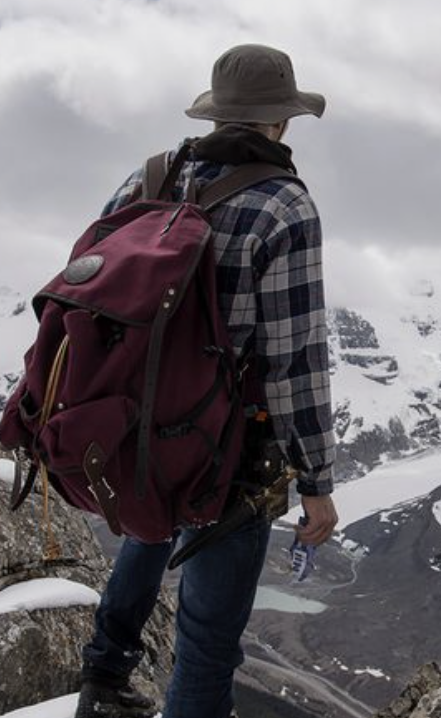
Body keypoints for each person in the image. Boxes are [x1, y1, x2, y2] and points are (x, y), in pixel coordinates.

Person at [74, 44, 338, 718]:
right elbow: (292, 359)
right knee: (208, 642)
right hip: (228, 447)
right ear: (281, 120)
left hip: (134, 416)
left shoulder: (152, 177)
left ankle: (102, 682)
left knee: (149, 524)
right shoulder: (283, 205)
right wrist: (317, 485)